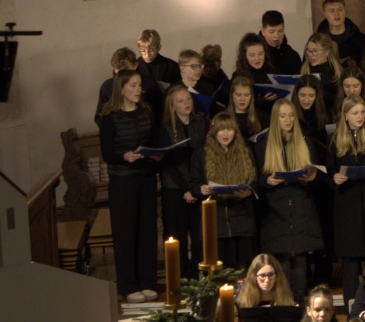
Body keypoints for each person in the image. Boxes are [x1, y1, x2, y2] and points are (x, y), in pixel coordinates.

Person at [100, 70, 161, 302]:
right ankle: (128, 285)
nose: (138, 89)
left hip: (146, 177)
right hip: (122, 181)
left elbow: (153, 141)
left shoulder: (146, 111)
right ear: (121, 88)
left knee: (147, 231)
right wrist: (124, 156)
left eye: (139, 85)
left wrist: (156, 154)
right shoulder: (110, 117)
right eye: (133, 85)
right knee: (125, 234)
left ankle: (147, 282)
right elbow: (107, 153)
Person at [256, 98, 324, 296]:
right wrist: (267, 181)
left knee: (301, 275)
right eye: (283, 116)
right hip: (276, 215)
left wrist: (312, 178)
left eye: (291, 115)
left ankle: (302, 311)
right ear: (275, 119)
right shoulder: (263, 145)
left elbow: (319, 179)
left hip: (301, 211)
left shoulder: (305, 141)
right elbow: (255, 180)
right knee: (282, 275)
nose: (288, 120)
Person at [326, 94, 365, 305]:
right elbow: (329, 172)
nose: (360, 117)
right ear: (345, 115)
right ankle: (353, 310)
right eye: (355, 113)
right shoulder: (334, 139)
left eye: (362, 112)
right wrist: (334, 178)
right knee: (350, 265)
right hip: (347, 208)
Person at [193, 111, 258, 268]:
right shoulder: (201, 154)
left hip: (242, 221)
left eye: (229, 129)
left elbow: (255, 181)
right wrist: (201, 189)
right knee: (220, 271)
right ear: (214, 131)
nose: (225, 134)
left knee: (243, 270)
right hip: (215, 223)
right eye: (221, 129)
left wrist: (249, 191)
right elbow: (193, 183)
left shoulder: (246, 151)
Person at [157, 85, 207, 280]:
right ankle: (181, 278)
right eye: (181, 101)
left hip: (198, 186)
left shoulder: (201, 123)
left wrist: (195, 188)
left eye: (188, 99)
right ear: (172, 105)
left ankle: (199, 276)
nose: (186, 103)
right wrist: (186, 188)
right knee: (177, 236)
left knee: (199, 235)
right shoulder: (165, 128)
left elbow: (205, 156)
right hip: (175, 188)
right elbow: (166, 164)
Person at [213, 76, 264, 143]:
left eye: (246, 95)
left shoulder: (262, 116)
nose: (242, 99)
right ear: (232, 95)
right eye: (238, 95)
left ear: (251, 96)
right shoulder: (223, 117)